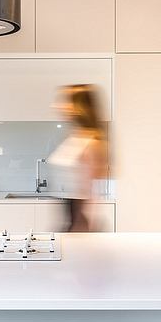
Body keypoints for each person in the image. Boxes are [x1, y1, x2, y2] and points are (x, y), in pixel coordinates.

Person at [47, 84, 110, 232]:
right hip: (69, 221)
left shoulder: (91, 141)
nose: (57, 105)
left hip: (79, 223)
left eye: (65, 101)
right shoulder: (75, 138)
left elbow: (92, 190)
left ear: (79, 106)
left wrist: (84, 228)